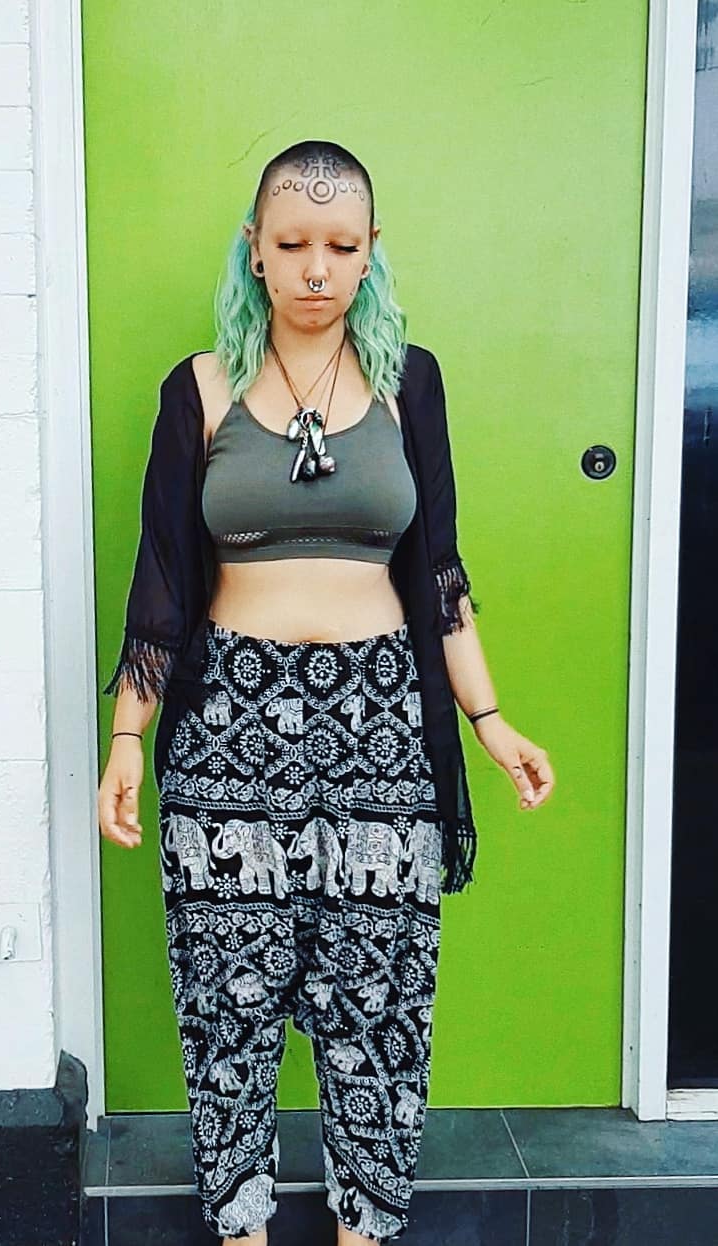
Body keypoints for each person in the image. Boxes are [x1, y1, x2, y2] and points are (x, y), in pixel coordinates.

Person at [97, 139, 554, 1245]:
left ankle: (365, 1230)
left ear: (370, 252)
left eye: (340, 246)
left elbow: (438, 573)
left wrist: (489, 721)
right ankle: (241, 1230)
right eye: (292, 241)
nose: (315, 267)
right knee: (228, 1004)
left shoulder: (409, 383)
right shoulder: (201, 388)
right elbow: (163, 577)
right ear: (253, 248)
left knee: (378, 1002)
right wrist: (127, 736)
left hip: (380, 727)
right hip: (227, 730)